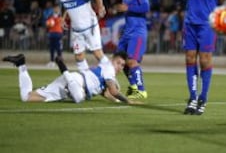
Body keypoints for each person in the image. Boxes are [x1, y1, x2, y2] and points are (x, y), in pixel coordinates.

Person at [2, 52, 134, 104]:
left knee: (27, 97)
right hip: (76, 82)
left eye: (122, 65)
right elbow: (113, 91)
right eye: (119, 63)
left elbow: (105, 92)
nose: (120, 67)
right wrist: (128, 101)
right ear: (112, 61)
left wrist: (118, 102)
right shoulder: (109, 69)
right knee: (79, 98)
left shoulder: (105, 70)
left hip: (67, 87)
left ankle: (21, 64)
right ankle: (63, 68)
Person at [56, 0, 109, 71]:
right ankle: (86, 78)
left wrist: (100, 7)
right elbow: (67, 5)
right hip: (76, 30)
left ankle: (110, 74)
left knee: (97, 53)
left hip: (90, 27)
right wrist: (62, 18)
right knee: (79, 56)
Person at [116, 0, 150, 99]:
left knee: (132, 61)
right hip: (127, 32)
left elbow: (145, 7)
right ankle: (133, 87)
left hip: (138, 32)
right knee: (120, 60)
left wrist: (128, 7)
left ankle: (142, 90)